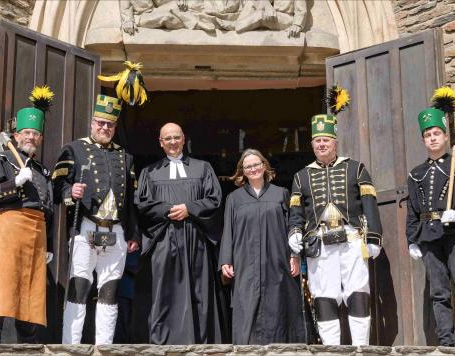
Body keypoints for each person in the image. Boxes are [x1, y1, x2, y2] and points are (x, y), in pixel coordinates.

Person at [288, 113, 383, 345]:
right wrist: (294, 232)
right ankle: (331, 348)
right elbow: (296, 212)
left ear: (335, 142)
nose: (322, 144)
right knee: (324, 295)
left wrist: (373, 237)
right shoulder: (301, 176)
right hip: (319, 242)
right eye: (317, 141)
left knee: (358, 292)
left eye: (326, 140)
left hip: (352, 239)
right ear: (312, 145)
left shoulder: (356, 168)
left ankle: (361, 347)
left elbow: (369, 203)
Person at [53, 94, 139, 345]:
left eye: (109, 124)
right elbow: (56, 186)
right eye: (100, 122)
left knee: (110, 289)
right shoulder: (74, 149)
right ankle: (71, 344)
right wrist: (70, 192)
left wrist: (133, 233)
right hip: (86, 226)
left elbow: (132, 200)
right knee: (79, 285)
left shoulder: (126, 156)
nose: (104, 128)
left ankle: (105, 346)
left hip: (117, 231)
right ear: (92, 123)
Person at [135, 122, 226, 344]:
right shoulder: (149, 172)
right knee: (164, 290)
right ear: (161, 143)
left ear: (184, 139)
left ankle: (201, 341)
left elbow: (215, 199)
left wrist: (189, 209)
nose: (173, 142)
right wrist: (168, 210)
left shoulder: (202, 168)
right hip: (165, 238)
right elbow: (141, 203)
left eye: (177, 137)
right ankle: (163, 341)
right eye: (168, 139)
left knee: (199, 290)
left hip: (196, 238)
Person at [406, 104, 455, 347]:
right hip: (429, 236)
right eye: (427, 135)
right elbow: (412, 211)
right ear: (423, 139)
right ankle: (446, 343)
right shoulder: (416, 174)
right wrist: (412, 240)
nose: (432, 138)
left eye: (436, 133)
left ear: (445, 135)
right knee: (438, 293)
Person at [0, 105, 53, 343]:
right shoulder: (3, 161)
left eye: (35, 133)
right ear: (16, 136)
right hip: (11, 223)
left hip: (37, 229)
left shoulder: (42, 170)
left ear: (40, 138)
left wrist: (49, 243)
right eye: (26, 132)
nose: (31, 137)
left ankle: (26, 342)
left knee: (33, 284)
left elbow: (48, 209)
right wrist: (16, 184)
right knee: (5, 280)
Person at [219, 148, 305, 344]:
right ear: (242, 171)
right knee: (247, 303)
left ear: (264, 166)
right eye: (248, 166)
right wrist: (226, 260)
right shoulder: (234, 199)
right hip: (245, 262)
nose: (253, 169)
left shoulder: (281, 193)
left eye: (256, 164)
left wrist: (294, 255)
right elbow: (228, 231)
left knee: (278, 302)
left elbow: (292, 227)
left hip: (277, 261)